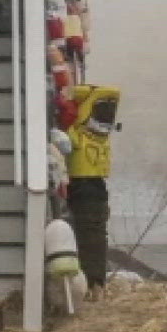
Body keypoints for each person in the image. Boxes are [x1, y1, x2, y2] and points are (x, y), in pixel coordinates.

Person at [65, 85, 120, 289]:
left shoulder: (78, 132)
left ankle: (87, 282)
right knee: (95, 234)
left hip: (80, 184)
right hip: (98, 186)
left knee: (83, 234)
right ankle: (95, 282)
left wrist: (70, 94)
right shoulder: (102, 134)